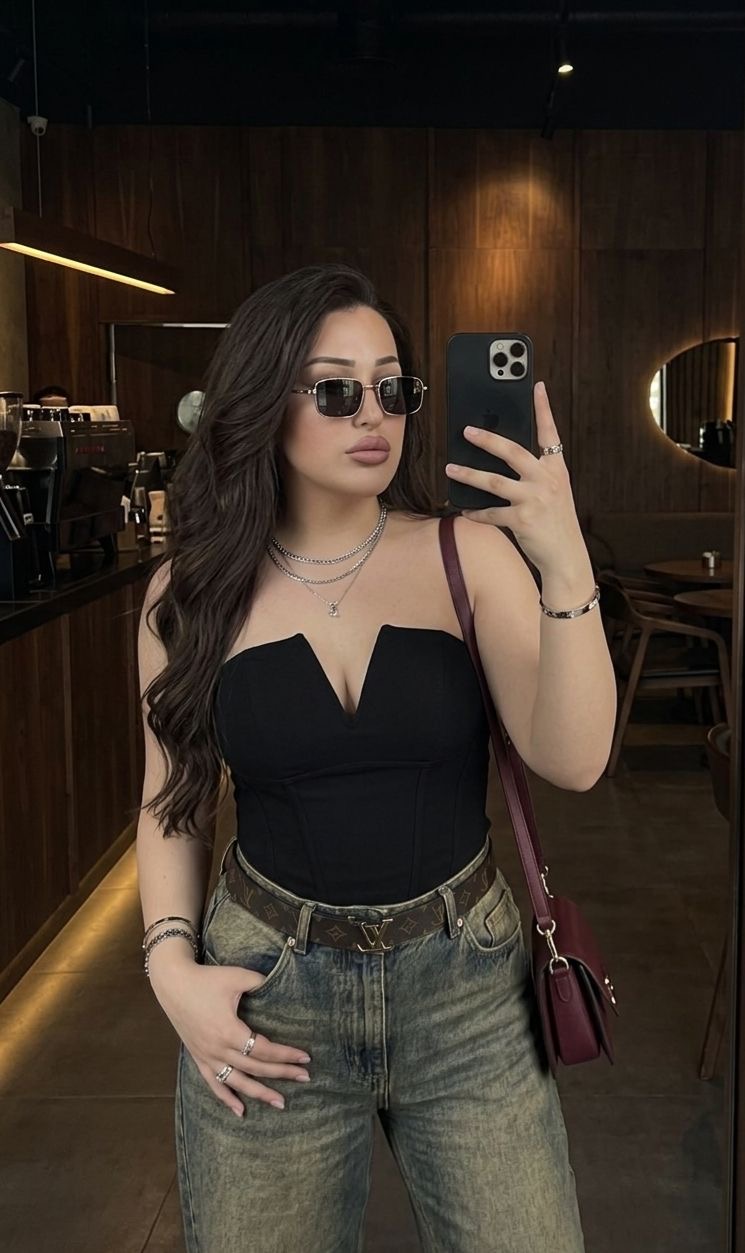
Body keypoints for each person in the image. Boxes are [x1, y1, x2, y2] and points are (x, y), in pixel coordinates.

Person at [136, 264, 616, 1253]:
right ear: (263, 399)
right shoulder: (189, 591)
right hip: (267, 997)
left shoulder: (466, 554)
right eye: (335, 389)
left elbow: (573, 761)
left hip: (468, 993)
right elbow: (170, 801)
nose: (373, 413)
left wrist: (563, 560)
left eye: (393, 388)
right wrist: (170, 966)